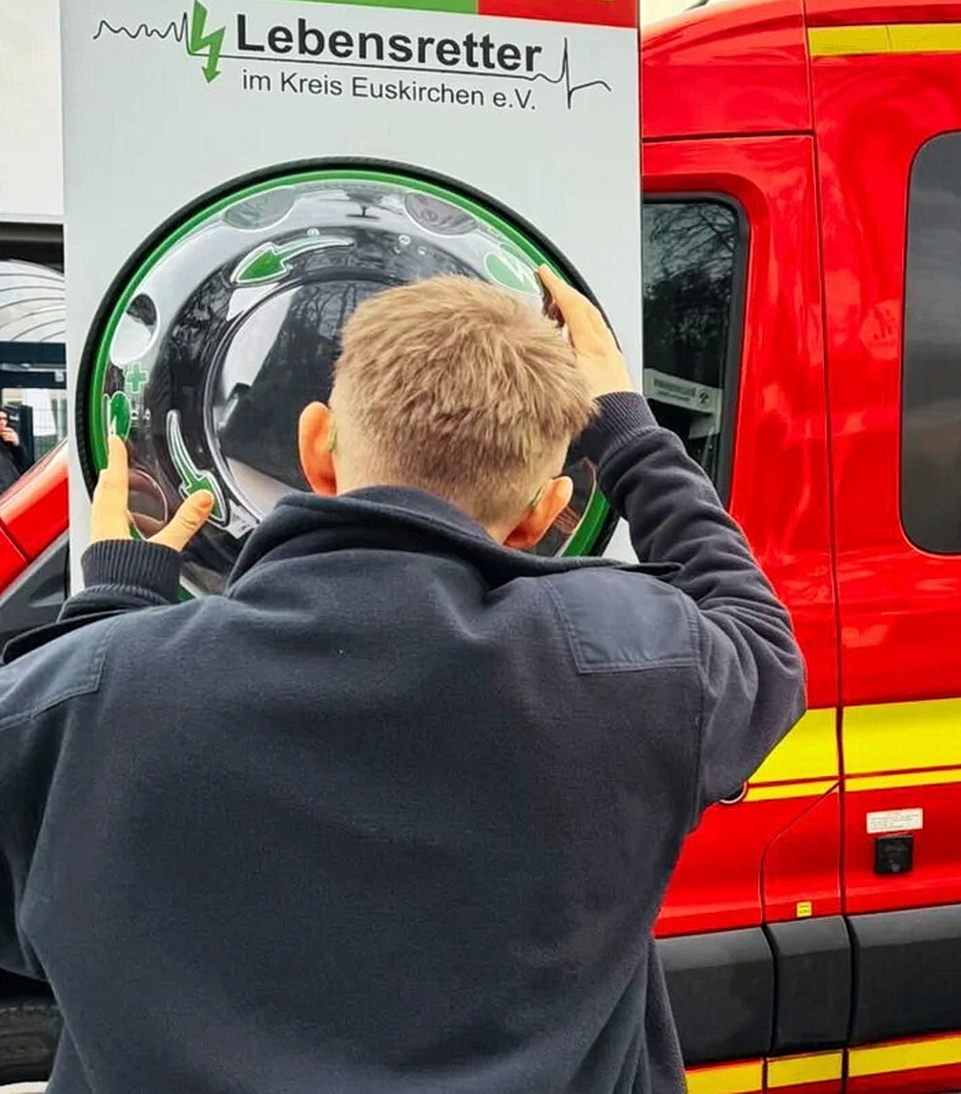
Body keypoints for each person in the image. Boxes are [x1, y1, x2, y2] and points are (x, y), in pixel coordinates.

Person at [0, 270, 805, 1094]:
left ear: (318, 446)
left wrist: (108, 608)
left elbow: (45, 849)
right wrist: (629, 432)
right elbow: (760, 637)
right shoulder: (627, 664)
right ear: (543, 514)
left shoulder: (77, 702)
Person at [0, 408, 31, 493]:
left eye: (4, 419)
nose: (2, 423)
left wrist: (17, 444)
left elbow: (26, 465)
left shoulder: (7, 441)